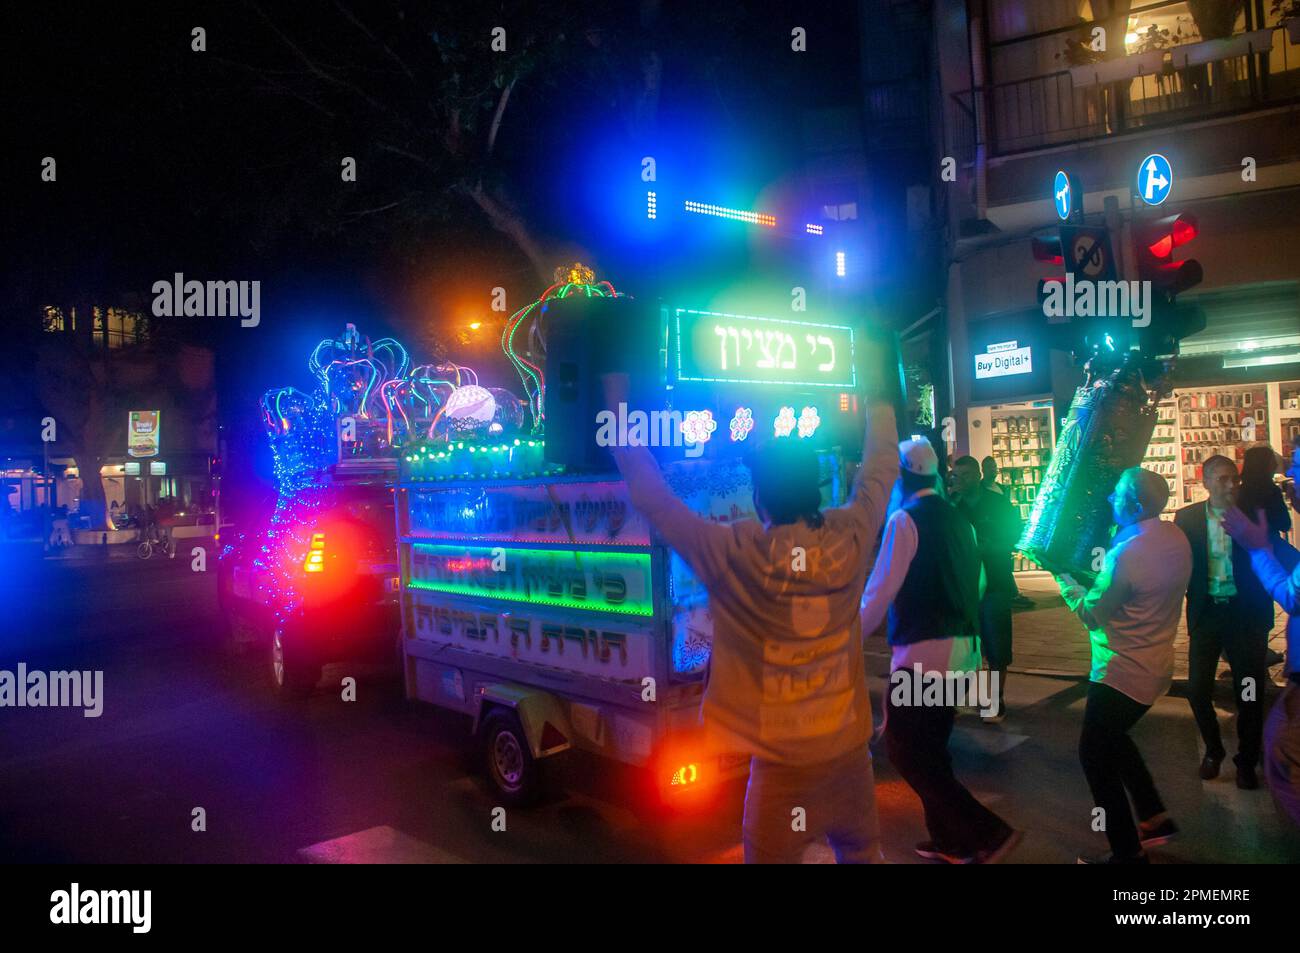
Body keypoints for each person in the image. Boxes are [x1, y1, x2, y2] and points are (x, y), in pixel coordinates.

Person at [602, 373, 897, 863]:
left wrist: (615, 404)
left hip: (782, 778)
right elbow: (880, 471)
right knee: (864, 854)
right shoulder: (850, 534)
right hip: (850, 765)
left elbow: (653, 496)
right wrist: (880, 397)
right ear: (815, 491)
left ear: (759, 497)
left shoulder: (734, 552)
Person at [860, 437, 1021, 864]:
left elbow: (879, 592)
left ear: (902, 477)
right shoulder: (958, 521)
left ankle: (988, 831)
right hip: (964, 655)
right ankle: (952, 840)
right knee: (931, 750)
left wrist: (845, 640)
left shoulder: (904, 520)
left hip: (923, 656)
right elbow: (981, 583)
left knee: (905, 751)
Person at [1055, 467, 1191, 863]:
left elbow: (1092, 613)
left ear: (1133, 504)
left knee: (1094, 755)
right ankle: (1154, 817)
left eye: (1116, 493)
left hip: (1120, 672)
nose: (1110, 499)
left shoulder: (1127, 553)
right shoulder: (1174, 538)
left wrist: (1063, 577)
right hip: (1154, 665)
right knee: (1116, 739)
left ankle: (1126, 852)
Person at [1174, 454, 1275, 788]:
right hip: (1207, 615)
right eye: (1222, 479)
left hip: (1244, 618)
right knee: (1197, 689)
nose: (1231, 485)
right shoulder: (1187, 519)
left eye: (1235, 478)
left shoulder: (1252, 515)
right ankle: (1213, 749)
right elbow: (1180, 566)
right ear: (1205, 482)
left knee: (1248, 691)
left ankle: (1246, 760)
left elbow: (1269, 560)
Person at [1224, 451, 1300, 828]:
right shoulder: (1192, 518)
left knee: (1281, 749)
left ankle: (1246, 759)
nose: (1289, 475)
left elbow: (1293, 596)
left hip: (1253, 605)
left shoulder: (1254, 498)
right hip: (1225, 613)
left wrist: (1259, 547)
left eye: (1297, 466)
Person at [950, 455, 1022, 720]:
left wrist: (994, 548)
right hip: (962, 589)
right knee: (961, 648)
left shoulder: (998, 503)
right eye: (957, 476)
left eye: (967, 475)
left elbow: (1016, 535)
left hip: (995, 583)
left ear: (979, 475)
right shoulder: (951, 507)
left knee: (997, 645)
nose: (961, 480)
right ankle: (955, 697)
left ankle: (994, 700)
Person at [1237, 445, 1291, 539]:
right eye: (1273, 463)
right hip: (1271, 544)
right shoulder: (1272, 492)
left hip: (1244, 545)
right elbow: (1285, 524)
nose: (1276, 466)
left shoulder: (1238, 492)